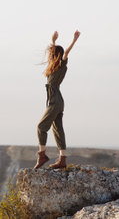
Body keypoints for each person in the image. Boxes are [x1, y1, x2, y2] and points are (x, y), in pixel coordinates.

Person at [34, 29, 81, 169]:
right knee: (57, 129)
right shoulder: (53, 67)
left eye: (52, 53)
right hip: (57, 101)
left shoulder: (61, 65)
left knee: (41, 127)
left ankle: (42, 155)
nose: (50, 55)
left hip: (55, 102)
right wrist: (53, 41)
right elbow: (53, 54)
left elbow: (65, 53)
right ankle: (62, 159)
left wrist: (74, 40)